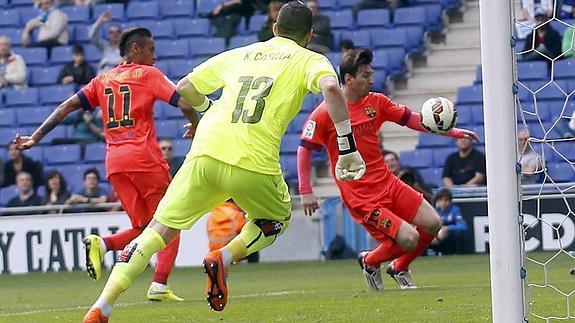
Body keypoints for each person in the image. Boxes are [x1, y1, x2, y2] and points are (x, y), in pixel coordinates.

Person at [79, 2, 366, 320]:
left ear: (273, 28)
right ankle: (224, 256)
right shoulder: (311, 59)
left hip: (205, 152)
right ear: (310, 35)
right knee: (275, 220)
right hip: (253, 162)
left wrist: (208, 109)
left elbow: (185, 87)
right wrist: (347, 146)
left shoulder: (240, 53)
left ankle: (101, 305)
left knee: (156, 231)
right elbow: (330, 87)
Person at [14, 27, 200, 307]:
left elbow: (65, 107)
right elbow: (184, 101)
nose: (155, 54)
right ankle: (159, 283)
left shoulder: (102, 79)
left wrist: (35, 137)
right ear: (135, 50)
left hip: (115, 163)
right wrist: (197, 125)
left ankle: (103, 244)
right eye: (151, 48)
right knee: (170, 221)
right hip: (144, 159)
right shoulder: (148, 74)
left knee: (144, 228)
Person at [297, 48, 478, 290]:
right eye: (365, 75)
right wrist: (306, 190)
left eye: (372, 73)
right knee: (409, 239)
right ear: (348, 79)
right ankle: (370, 261)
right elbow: (304, 149)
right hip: (362, 196)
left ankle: (399, 267)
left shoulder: (377, 102)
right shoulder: (324, 112)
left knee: (433, 223)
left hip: (387, 182)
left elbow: (413, 119)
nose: (371, 79)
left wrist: (453, 132)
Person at [429, 188, 468, 255]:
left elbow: (463, 226)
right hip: (437, 238)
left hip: (450, 239)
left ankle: (456, 254)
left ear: (450, 201)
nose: (443, 203)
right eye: (440, 200)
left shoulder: (455, 210)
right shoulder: (434, 211)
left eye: (446, 200)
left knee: (458, 233)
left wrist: (448, 228)